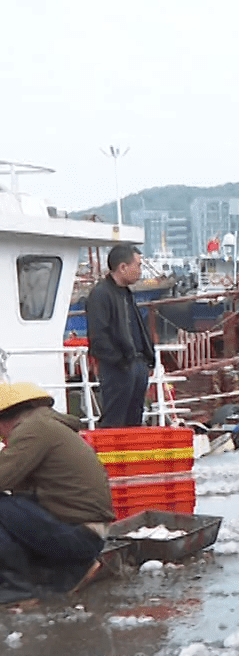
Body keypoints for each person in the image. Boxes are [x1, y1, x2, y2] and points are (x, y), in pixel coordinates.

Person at [0, 384, 115, 601]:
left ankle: (16, 590)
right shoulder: (48, 427)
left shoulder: (32, 430)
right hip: (88, 532)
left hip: (80, 535)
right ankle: (68, 571)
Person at [85, 243, 157, 428]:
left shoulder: (125, 293)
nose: (140, 270)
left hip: (136, 364)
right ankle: (111, 455)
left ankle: (129, 454)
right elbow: (98, 336)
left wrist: (146, 359)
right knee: (114, 420)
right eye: (138, 265)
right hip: (119, 368)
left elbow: (134, 327)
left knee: (133, 419)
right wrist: (121, 361)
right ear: (123, 267)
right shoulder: (101, 294)